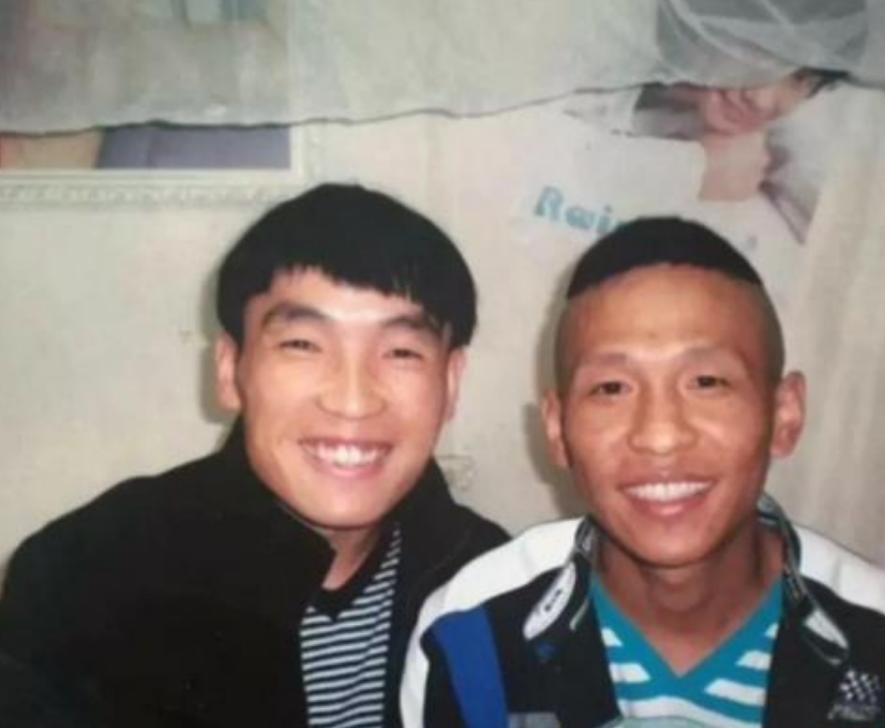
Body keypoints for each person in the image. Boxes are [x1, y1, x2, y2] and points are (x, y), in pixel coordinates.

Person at [0, 183, 507, 728]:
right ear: (229, 370)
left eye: (401, 351)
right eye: (302, 345)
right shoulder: (83, 578)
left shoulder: (498, 581)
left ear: (450, 382)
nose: (353, 400)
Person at [402, 217, 885, 727]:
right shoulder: (471, 635)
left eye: (706, 382)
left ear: (784, 414)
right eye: (611, 388)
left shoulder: (872, 632)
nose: (660, 436)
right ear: (557, 430)